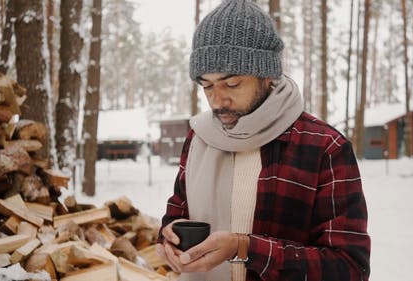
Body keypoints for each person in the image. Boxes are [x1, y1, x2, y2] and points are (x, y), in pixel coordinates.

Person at [156, 0, 371, 280]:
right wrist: (169, 236)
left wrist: (245, 248)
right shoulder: (199, 138)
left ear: (267, 74)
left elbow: (350, 267)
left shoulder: (324, 147)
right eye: (207, 86)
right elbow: (177, 212)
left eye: (232, 83)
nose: (218, 100)